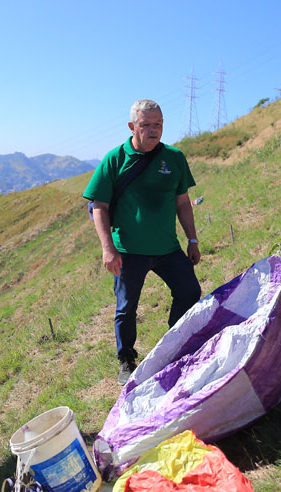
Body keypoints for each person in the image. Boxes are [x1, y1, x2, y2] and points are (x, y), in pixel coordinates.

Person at [84, 99, 202, 385]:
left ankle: (173, 344)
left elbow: (183, 202)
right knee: (126, 308)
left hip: (168, 247)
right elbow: (98, 206)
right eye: (146, 125)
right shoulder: (115, 159)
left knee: (190, 291)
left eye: (158, 124)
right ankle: (126, 360)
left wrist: (192, 238)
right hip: (127, 251)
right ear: (132, 126)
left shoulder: (174, 157)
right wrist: (107, 248)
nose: (153, 130)